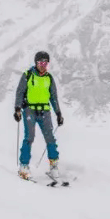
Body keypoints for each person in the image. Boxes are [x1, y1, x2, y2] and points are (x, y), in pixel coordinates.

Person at [14, 51, 66, 185]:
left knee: (50, 138)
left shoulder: (49, 78)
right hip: (29, 110)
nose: (43, 65)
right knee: (29, 138)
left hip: (45, 111)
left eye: (45, 63)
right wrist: (17, 109)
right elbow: (20, 92)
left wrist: (58, 113)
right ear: (36, 63)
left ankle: (53, 166)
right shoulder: (28, 75)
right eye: (41, 62)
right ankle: (23, 167)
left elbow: (53, 97)